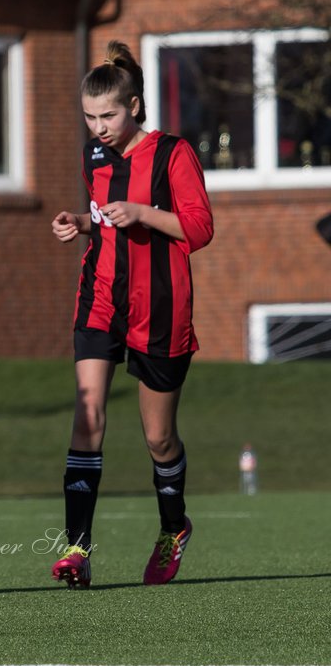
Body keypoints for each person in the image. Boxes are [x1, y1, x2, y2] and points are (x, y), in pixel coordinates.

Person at [49, 41, 214, 590]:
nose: (98, 127)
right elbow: (109, 222)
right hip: (100, 300)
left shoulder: (173, 153)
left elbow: (199, 228)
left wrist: (144, 212)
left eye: (109, 115)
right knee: (89, 415)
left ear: (135, 107)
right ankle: (76, 549)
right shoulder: (94, 156)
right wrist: (83, 223)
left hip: (161, 309)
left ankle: (173, 528)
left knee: (158, 439)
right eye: (90, 117)